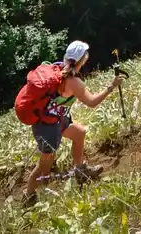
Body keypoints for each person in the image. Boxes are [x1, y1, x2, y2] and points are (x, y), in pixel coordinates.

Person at [22, 40, 122, 196]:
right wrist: (111, 87)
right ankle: (30, 194)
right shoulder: (73, 81)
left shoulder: (58, 68)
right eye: (86, 55)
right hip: (47, 125)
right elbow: (92, 102)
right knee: (45, 164)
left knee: (79, 133)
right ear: (83, 59)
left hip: (55, 119)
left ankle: (80, 171)